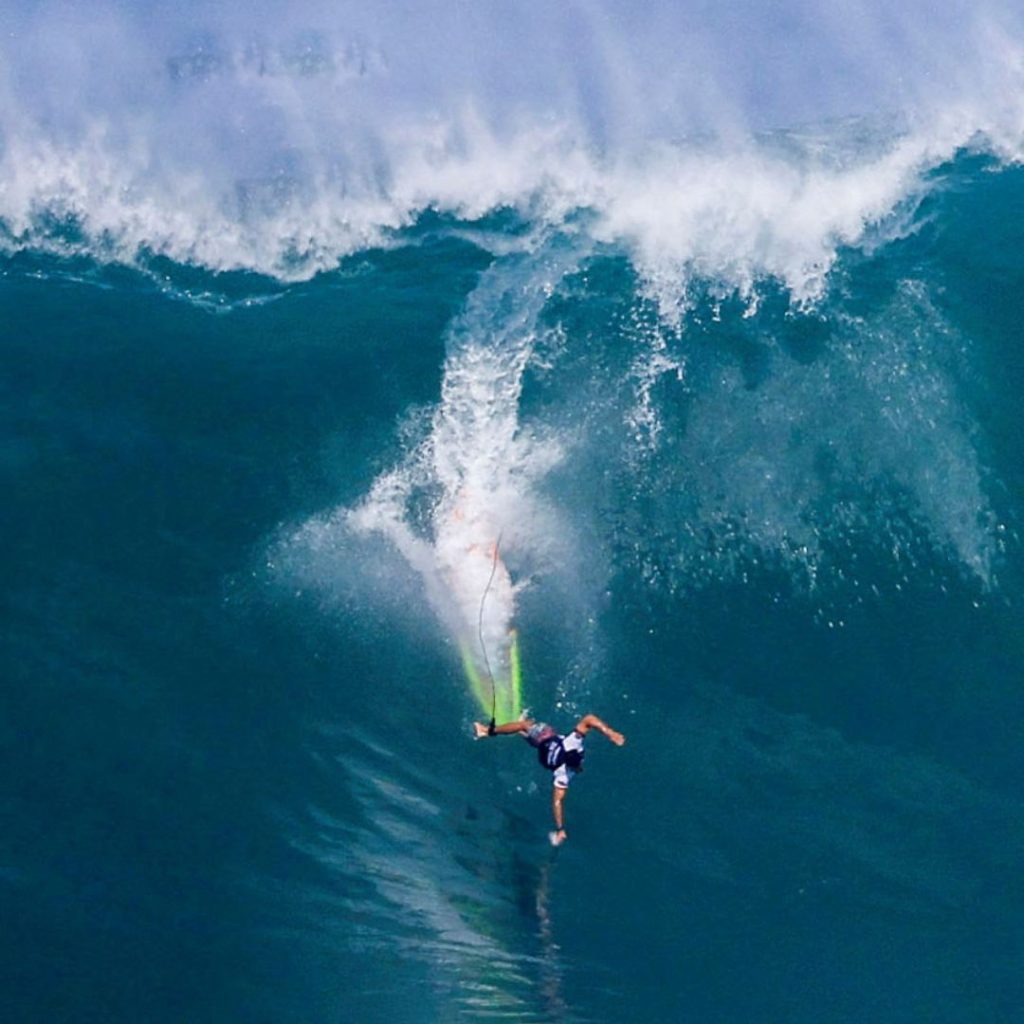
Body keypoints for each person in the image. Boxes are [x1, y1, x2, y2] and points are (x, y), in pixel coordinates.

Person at [474, 713, 626, 846]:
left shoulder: (571, 745)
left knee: (526, 726)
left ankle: (488, 731)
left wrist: (610, 733)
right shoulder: (563, 774)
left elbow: (589, 719)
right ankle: (504, 732)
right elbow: (557, 801)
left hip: (547, 746)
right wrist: (560, 829)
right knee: (531, 734)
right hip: (544, 755)